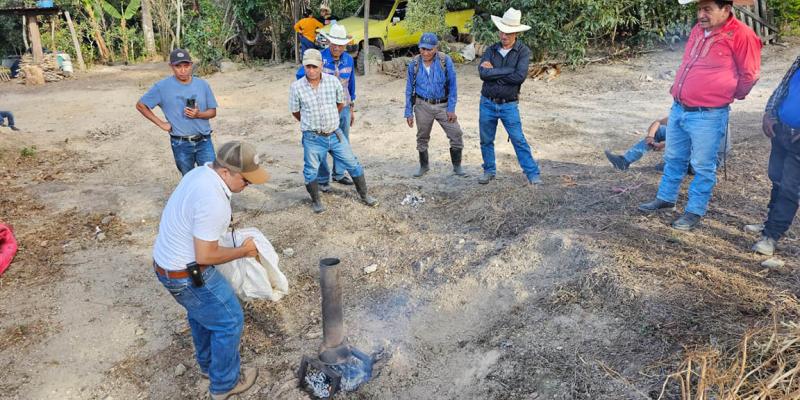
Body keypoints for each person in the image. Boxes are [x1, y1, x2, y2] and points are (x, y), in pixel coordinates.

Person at [152, 141, 269, 400]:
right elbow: (206, 255)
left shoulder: (199, 173)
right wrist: (245, 251)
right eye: (246, 180)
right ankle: (224, 384)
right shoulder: (214, 200)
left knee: (203, 313)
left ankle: (208, 367)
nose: (248, 186)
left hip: (167, 266)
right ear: (226, 172)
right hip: (187, 274)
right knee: (229, 321)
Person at [637, 0, 761, 231]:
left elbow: (750, 75)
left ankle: (694, 210)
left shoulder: (742, 35)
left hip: (708, 114)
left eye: (707, 9)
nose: (700, 15)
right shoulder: (697, 30)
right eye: (698, 9)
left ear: (726, 9)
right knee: (673, 158)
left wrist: (725, 94)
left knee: (703, 166)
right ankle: (666, 199)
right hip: (679, 108)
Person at [290, 49, 378, 213]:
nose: (311, 70)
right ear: (304, 66)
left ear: (321, 65)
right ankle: (316, 200)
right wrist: (311, 123)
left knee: (352, 163)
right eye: (308, 67)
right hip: (313, 137)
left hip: (335, 134)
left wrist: (330, 120)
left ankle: (364, 195)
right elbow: (296, 112)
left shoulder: (333, 82)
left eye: (315, 67)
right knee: (310, 170)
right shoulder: (296, 87)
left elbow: (340, 103)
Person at [477, 8, 541, 185]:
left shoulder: (523, 52)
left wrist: (494, 73)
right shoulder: (491, 49)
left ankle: (532, 174)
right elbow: (483, 73)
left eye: (508, 32)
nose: (504, 35)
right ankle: (489, 170)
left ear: (517, 33)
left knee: (518, 139)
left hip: (509, 105)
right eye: (501, 31)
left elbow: (519, 77)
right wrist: (507, 72)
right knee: (486, 139)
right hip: (487, 102)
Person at [136, 49, 218, 175]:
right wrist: (162, 124)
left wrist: (198, 114)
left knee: (212, 176)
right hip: (181, 143)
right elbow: (141, 105)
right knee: (188, 178)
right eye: (178, 66)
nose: (183, 70)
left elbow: (212, 112)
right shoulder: (162, 87)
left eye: (186, 66)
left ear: (191, 65)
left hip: (204, 141)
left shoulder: (202, 85)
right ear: (171, 66)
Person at [296, 23, 357, 191]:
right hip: (323, 110)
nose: (337, 47)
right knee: (321, 142)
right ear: (329, 42)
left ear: (345, 44)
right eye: (334, 43)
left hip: (343, 107)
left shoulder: (349, 60)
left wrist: (351, 108)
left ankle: (339, 173)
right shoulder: (318, 59)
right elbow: (301, 76)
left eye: (340, 44)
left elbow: (351, 85)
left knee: (342, 140)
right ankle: (323, 180)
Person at [751, 55, 800, 256]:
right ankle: (770, 223)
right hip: (782, 130)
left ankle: (771, 236)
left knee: (790, 187)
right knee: (777, 180)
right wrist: (769, 113)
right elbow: (783, 87)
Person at [404, 32, 464, 177]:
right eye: (422, 49)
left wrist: (451, 108)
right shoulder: (414, 64)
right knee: (422, 136)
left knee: (456, 134)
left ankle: (457, 167)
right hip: (422, 105)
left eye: (429, 49)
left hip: (443, 105)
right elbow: (408, 89)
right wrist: (408, 112)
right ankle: (424, 166)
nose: (425, 52)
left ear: (436, 48)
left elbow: (453, 86)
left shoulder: (445, 60)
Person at [604, 116, 731, 171]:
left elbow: (689, 140)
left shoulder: (702, 113)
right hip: (694, 150)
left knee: (678, 143)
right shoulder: (684, 110)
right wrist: (650, 137)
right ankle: (624, 161)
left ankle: (678, 165)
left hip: (709, 161)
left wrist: (663, 144)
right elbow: (658, 122)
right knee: (660, 131)